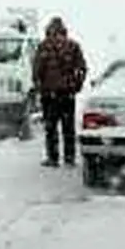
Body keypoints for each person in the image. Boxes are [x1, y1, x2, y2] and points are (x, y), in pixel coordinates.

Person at [32, 16, 87, 167]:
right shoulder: (72, 46)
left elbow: (36, 71)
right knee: (66, 128)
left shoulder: (44, 47)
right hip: (64, 94)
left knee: (52, 128)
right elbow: (82, 69)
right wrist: (76, 86)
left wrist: (39, 87)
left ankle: (53, 158)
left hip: (51, 94)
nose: (56, 36)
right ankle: (68, 159)